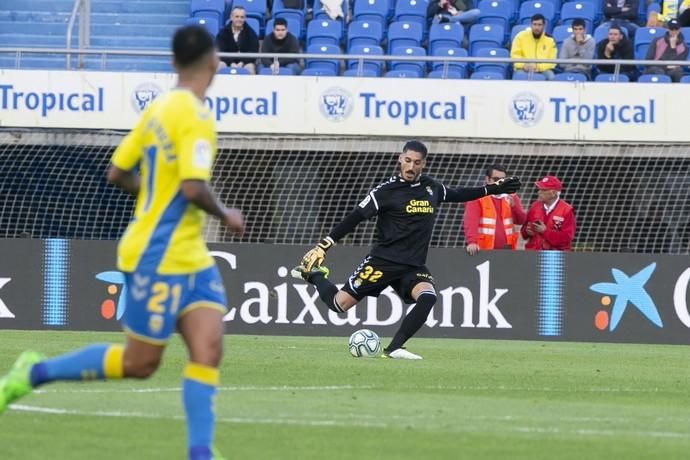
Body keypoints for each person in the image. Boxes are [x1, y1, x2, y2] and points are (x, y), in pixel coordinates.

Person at [0, 25, 245, 460]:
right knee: (140, 364)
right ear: (214, 61)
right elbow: (192, 188)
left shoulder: (157, 110)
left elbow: (117, 171)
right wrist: (226, 214)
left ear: (172, 63)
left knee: (208, 348)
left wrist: (153, 194)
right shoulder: (198, 116)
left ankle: (201, 453)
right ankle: (33, 372)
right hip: (157, 254)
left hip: (190, 255)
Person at [290, 141, 522, 359]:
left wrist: (492, 189)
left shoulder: (432, 188)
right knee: (339, 305)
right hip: (383, 261)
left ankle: (394, 348)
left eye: (417, 162)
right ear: (400, 159)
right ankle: (314, 275)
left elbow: (460, 194)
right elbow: (354, 218)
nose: (411, 166)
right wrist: (324, 245)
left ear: (424, 163)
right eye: (408, 160)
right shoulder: (385, 192)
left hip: (412, 264)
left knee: (428, 296)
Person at [463, 164, 526, 255]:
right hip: (484, 250)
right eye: (496, 179)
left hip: (507, 249)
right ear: (487, 179)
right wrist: (472, 242)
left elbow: (521, 220)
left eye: (503, 180)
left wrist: (514, 206)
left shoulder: (511, 196)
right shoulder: (477, 197)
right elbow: (470, 222)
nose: (500, 182)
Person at [521, 175, 575, 251]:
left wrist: (545, 231)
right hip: (533, 253)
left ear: (553, 193)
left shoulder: (566, 210)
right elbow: (524, 232)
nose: (539, 192)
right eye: (539, 189)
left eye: (543, 190)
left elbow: (566, 238)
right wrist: (527, 232)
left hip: (554, 256)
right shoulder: (534, 206)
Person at [510, 14, 557, 80]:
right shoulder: (520, 36)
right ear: (531, 25)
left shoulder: (550, 40)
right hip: (523, 68)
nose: (536, 27)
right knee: (519, 76)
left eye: (539, 25)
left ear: (544, 25)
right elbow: (514, 56)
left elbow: (552, 61)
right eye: (534, 24)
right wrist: (524, 65)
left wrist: (538, 67)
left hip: (543, 69)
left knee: (551, 77)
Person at [216, 6, 259, 74]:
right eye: (237, 16)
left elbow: (253, 52)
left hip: (245, 63)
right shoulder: (223, 33)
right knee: (220, 65)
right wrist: (231, 63)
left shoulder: (251, 33)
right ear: (231, 17)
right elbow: (220, 51)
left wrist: (242, 63)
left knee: (250, 67)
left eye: (242, 17)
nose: (239, 19)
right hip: (227, 62)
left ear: (245, 18)